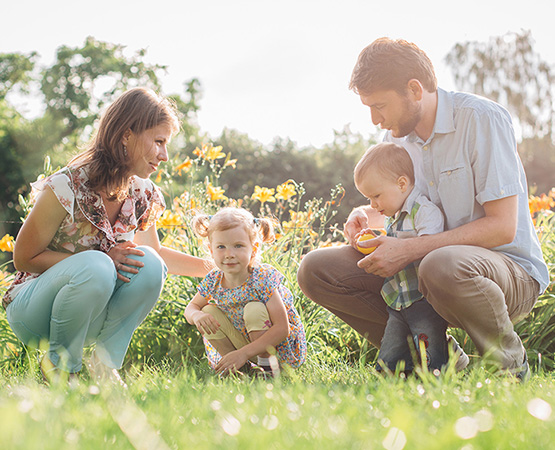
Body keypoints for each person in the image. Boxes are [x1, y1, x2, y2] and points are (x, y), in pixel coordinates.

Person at [297, 37, 549, 380]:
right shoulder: (395, 141)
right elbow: (400, 209)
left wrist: (408, 250)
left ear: (415, 89)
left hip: (505, 273)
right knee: (317, 268)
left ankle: (508, 368)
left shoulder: (481, 119)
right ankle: (431, 361)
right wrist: (365, 219)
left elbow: (502, 227)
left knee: (439, 263)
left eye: (380, 105)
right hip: (422, 274)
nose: (374, 119)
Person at [3, 87, 211, 385]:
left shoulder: (143, 193)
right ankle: (60, 367)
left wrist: (219, 268)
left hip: (88, 314)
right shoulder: (67, 185)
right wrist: (102, 257)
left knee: (150, 263)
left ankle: (104, 365)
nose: (164, 156)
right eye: (159, 141)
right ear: (127, 135)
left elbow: (158, 255)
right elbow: (23, 258)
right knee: (96, 265)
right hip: (34, 310)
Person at [354, 142, 469, 374]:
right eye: (368, 199)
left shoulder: (424, 212)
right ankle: (398, 377)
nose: (372, 205)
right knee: (390, 357)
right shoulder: (393, 215)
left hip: (423, 300)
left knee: (430, 348)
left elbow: (433, 251)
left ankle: (439, 375)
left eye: (376, 196)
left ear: (402, 184)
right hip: (399, 300)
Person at [184, 207, 306, 376]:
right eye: (221, 247)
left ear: (253, 249)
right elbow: (191, 308)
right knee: (206, 310)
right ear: (211, 251)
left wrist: (244, 353)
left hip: (276, 350)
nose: (229, 254)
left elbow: (282, 328)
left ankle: (268, 370)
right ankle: (237, 368)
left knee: (253, 309)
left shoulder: (261, 279)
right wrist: (197, 316)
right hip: (243, 347)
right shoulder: (214, 280)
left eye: (238, 246)